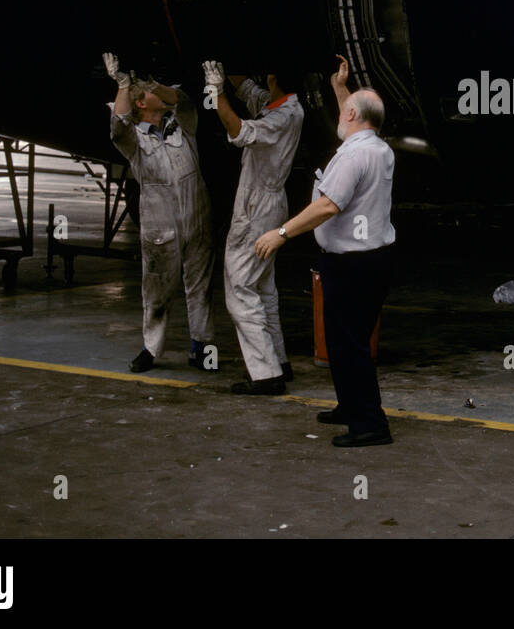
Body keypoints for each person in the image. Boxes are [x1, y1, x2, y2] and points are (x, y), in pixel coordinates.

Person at [256, 56, 395, 447]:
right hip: (372, 260)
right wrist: (340, 87)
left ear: (352, 113)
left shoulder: (352, 156)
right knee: (344, 339)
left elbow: (327, 206)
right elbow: (354, 115)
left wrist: (280, 233)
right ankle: (351, 406)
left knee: (349, 343)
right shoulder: (377, 147)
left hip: (352, 264)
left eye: (344, 106)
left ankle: (370, 425)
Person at [104, 52, 214, 374]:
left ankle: (203, 348)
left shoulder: (183, 126)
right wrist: (124, 85)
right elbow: (117, 129)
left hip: (197, 219)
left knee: (200, 287)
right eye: (152, 92)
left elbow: (181, 99)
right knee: (157, 289)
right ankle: (151, 349)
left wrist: (153, 83)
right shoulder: (135, 141)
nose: (162, 92)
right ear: (141, 103)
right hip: (160, 226)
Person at [203, 62, 303, 396]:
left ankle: (265, 374)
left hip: (256, 205)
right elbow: (247, 88)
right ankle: (279, 361)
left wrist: (215, 92)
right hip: (271, 201)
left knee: (240, 290)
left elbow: (240, 133)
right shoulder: (283, 105)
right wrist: (225, 67)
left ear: (273, 76)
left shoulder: (280, 117)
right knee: (263, 287)